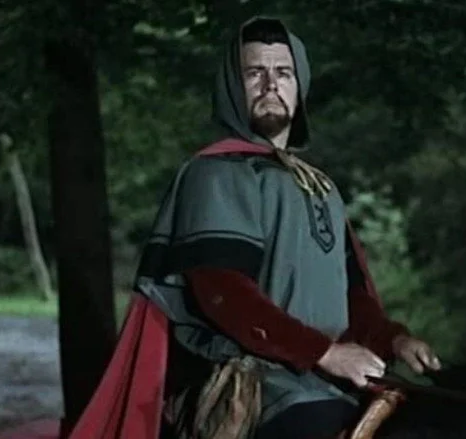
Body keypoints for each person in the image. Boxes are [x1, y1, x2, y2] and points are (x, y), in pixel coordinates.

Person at [64, 16, 440, 439]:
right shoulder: (216, 173)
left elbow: (353, 298)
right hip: (254, 386)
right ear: (232, 86)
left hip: (331, 379)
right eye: (254, 72)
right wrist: (323, 352)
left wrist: (395, 341)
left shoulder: (320, 186)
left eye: (284, 73)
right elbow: (224, 291)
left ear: (300, 85)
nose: (270, 84)